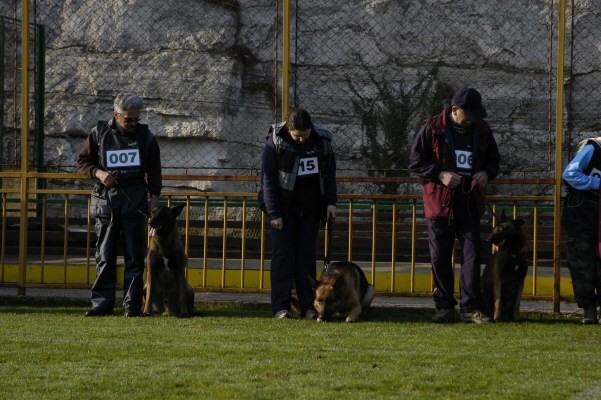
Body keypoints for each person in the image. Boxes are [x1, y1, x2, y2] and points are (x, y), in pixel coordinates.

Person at [408, 87, 500, 323]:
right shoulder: (431, 128)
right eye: (469, 114)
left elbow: (494, 161)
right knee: (440, 258)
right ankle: (444, 307)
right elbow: (415, 162)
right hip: (440, 204)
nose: (473, 119)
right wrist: (440, 175)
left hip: (470, 203)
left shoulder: (482, 129)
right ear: (454, 109)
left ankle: (470, 308)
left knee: (471, 258)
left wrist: (485, 174)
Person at [77, 93, 162, 317]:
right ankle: (101, 305)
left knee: (135, 258)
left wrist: (154, 198)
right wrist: (99, 173)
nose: (134, 124)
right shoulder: (98, 134)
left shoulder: (146, 137)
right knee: (105, 256)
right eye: (128, 120)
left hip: (135, 199)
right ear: (116, 115)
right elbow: (83, 161)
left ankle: (132, 307)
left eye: (137, 119)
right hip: (106, 200)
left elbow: (154, 171)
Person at [260, 109, 337, 319]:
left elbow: (329, 174)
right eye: (297, 135)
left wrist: (331, 202)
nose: (302, 139)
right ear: (289, 130)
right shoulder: (275, 142)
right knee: (282, 257)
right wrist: (274, 213)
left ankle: (309, 306)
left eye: (305, 134)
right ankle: (280, 307)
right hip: (284, 211)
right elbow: (268, 180)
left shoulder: (322, 141)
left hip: (311, 210)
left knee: (306, 258)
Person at [562, 138, 601, 324]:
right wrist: (596, 184)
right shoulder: (594, 148)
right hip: (581, 214)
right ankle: (589, 311)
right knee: (582, 264)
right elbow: (570, 173)